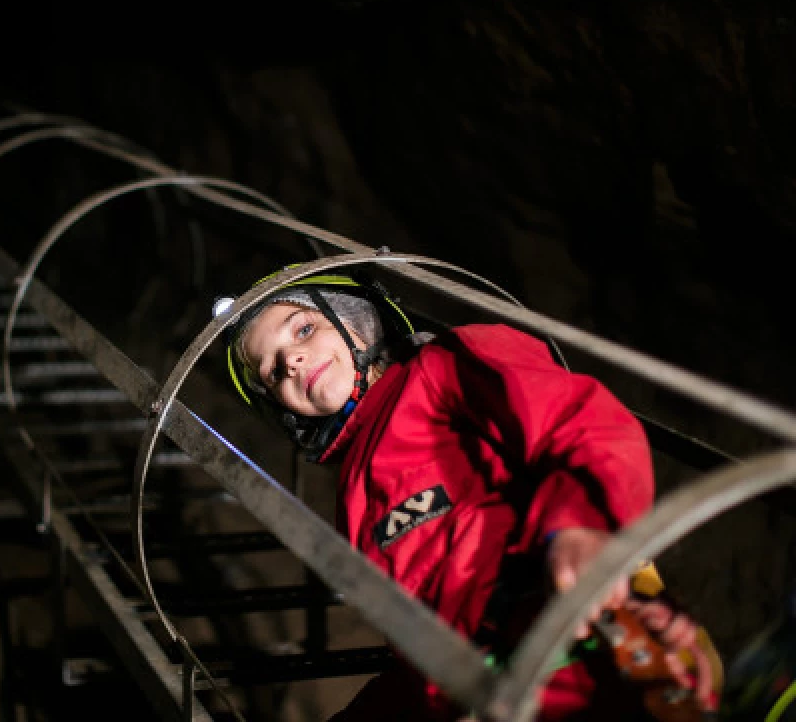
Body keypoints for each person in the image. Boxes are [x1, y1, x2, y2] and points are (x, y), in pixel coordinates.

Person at [214, 265, 721, 721]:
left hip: (583, 643)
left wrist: (581, 526)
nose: (293, 360)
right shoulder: (355, 489)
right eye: (273, 370)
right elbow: (423, 653)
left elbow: (575, 423)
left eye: (303, 329)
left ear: (356, 320)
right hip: (486, 685)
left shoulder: (444, 367)